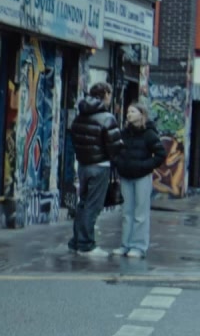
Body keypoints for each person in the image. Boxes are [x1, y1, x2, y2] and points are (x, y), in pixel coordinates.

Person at [68, 82, 125, 257]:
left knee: (83, 203)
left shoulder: (80, 115)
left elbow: (74, 139)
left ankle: (76, 241)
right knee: (93, 206)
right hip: (100, 166)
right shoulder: (107, 118)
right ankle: (86, 245)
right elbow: (115, 147)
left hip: (83, 166)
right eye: (110, 94)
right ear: (105, 94)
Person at [113, 101, 166, 258]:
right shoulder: (124, 133)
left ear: (141, 115)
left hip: (142, 177)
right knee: (126, 213)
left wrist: (145, 166)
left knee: (140, 214)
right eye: (128, 112)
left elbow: (160, 154)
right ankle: (125, 245)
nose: (129, 114)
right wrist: (119, 163)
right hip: (126, 176)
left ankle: (138, 246)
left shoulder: (149, 134)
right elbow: (115, 150)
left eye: (133, 111)